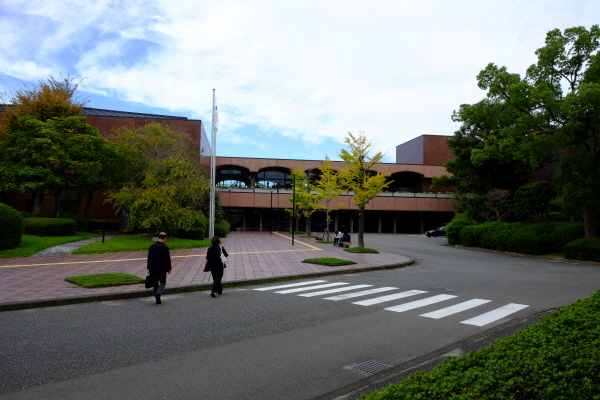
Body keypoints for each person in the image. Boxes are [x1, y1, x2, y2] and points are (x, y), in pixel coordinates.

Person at [147, 232, 172, 305]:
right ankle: (158, 293)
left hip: (153, 268)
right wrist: (169, 268)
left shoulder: (152, 246)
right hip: (162, 268)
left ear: (158, 238)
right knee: (162, 281)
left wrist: (149, 267)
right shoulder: (164, 247)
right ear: (164, 238)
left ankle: (156, 296)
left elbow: (149, 258)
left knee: (155, 282)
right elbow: (167, 259)